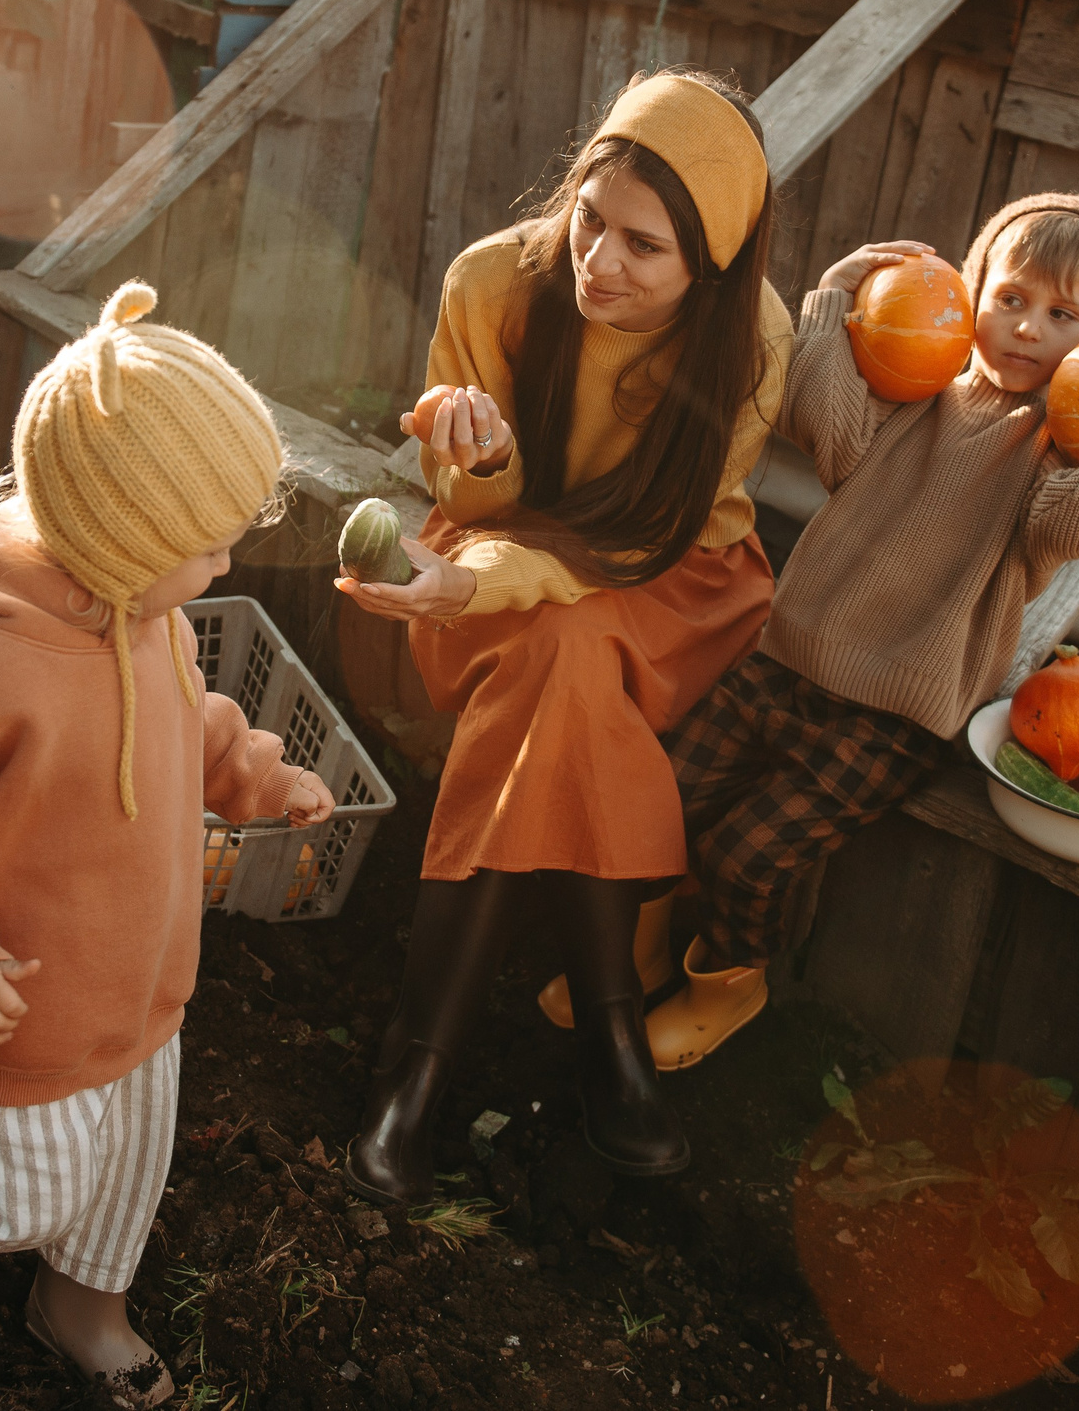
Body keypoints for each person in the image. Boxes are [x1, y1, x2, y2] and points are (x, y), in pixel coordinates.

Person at [0, 284, 336, 1410]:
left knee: (122, 1172)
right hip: (13, 1000)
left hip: (135, 980)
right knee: (8, 1198)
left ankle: (82, 1305)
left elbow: (189, 719)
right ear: (114, 537)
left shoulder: (147, 614)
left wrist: (258, 773)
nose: (223, 569)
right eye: (204, 548)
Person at [336, 70, 793, 1202]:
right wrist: (477, 461)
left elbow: (643, 540)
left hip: (671, 577)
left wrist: (486, 585)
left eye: (644, 247)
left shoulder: (754, 341)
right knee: (561, 663)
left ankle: (418, 1065)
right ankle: (613, 1038)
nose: (598, 261)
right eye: (591, 218)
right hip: (495, 565)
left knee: (567, 654)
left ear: (712, 267)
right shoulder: (492, 280)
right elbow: (480, 513)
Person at [643, 194, 1079, 1068]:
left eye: (1064, 315)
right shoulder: (918, 393)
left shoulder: (1060, 460)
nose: (1028, 330)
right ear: (971, 291)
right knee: (658, 801)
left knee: (746, 856)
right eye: (1011, 299)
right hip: (784, 658)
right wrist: (837, 299)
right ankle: (632, 950)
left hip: (890, 714)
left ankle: (725, 982)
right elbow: (822, 419)